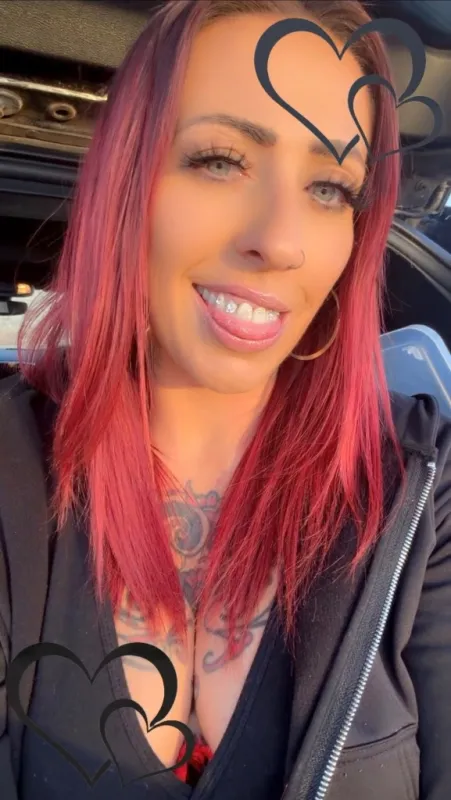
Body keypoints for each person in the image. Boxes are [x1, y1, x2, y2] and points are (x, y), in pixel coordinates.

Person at [0, 0, 450, 798]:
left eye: (329, 187)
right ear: (125, 184)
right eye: (220, 160)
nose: (279, 241)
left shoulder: (423, 487)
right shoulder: (11, 470)